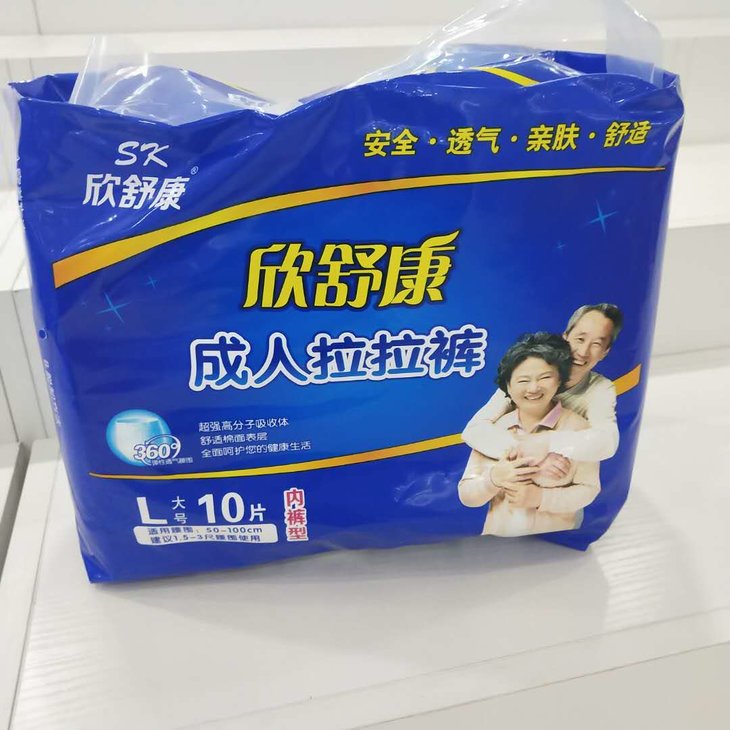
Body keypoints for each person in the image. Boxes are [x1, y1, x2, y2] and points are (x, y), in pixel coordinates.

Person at [458, 333, 600, 537]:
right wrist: (494, 478)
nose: (533, 388)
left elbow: (589, 489)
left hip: (554, 540)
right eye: (523, 380)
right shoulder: (496, 429)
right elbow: (467, 494)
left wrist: (540, 497)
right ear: (508, 386)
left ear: (560, 380)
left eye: (545, 377)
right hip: (496, 542)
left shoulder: (579, 428)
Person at [462, 304, 623, 479]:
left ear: (605, 352)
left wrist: (547, 442)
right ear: (565, 336)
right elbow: (474, 430)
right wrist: (531, 456)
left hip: (561, 480)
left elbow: (607, 441)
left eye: (597, 344)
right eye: (580, 339)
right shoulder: (530, 368)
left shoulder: (600, 389)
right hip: (507, 475)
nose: (583, 352)